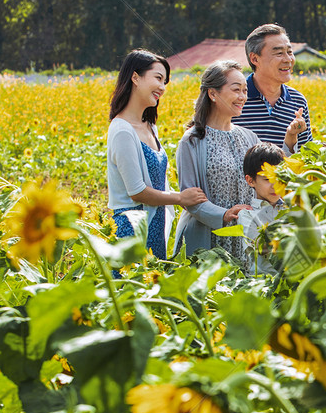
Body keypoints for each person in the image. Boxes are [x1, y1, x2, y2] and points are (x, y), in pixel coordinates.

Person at [107, 49, 206, 259]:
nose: (162, 88)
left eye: (165, 83)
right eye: (158, 78)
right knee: (132, 289)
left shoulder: (150, 126)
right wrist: (180, 198)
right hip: (132, 229)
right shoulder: (122, 130)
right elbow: (137, 192)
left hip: (154, 226)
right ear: (135, 77)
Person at [174, 60, 261, 262]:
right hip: (207, 238)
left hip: (243, 237)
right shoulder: (192, 140)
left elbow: (267, 178)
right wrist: (224, 214)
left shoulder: (250, 137)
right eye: (236, 90)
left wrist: (290, 141)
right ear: (213, 94)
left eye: (245, 90)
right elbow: (190, 200)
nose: (242, 97)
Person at [233, 23, 312, 153]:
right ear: (255, 59)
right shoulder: (236, 98)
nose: (288, 59)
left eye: (290, 52)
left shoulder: (298, 101)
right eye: (279, 53)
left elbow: (305, 155)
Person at [240, 142, 285, 275]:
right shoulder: (247, 214)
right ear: (250, 181)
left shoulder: (290, 208)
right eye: (267, 179)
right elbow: (261, 247)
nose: (274, 185)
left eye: (279, 178)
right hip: (262, 285)